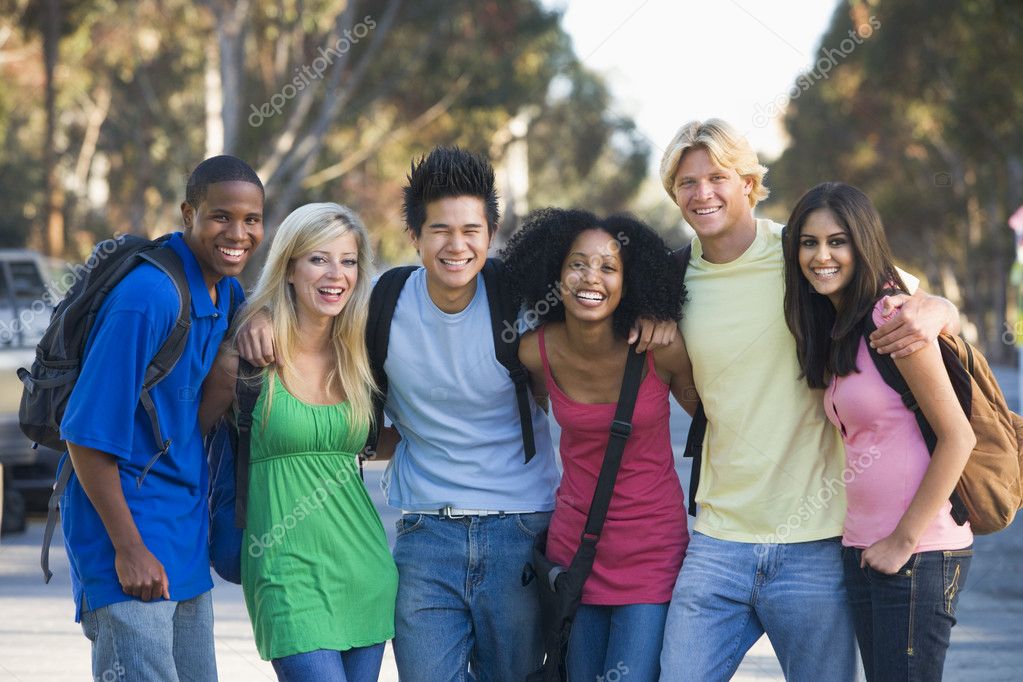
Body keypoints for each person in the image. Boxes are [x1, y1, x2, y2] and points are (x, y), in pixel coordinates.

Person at [655, 119, 962, 681]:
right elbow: (689, 387)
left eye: (717, 177)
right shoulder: (672, 280)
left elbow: (914, 301)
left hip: (817, 542)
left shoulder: (804, 254)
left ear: (749, 183)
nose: (702, 193)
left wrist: (941, 309)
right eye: (686, 182)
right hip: (718, 540)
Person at [59, 155, 264, 681]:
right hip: (127, 542)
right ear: (188, 214)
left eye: (252, 220)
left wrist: (234, 357)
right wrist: (129, 550)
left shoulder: (228, 291)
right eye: (221, 217)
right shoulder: (147, 298)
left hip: (183, 543)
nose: (238, 233)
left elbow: (191, 422)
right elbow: (84, 434)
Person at [782, 182, 974, 681]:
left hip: (921, 549)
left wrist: (902, 541)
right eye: (808, 242)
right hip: (864, 548)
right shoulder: (836, 326)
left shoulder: (891, 317)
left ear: (862, 243)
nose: (821, 256)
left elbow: (958, 437)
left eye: (837, 241)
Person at [200, 202, 397, 682]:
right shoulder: (244, 360)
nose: (337, 275)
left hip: (364, 568)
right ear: (289, 267)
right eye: (319, 259)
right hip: (283, 571)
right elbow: (191, 447)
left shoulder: (360, 354)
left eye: (348, 261)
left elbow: (382, 443)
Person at [500, 208, 692, 682]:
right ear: (554, 273)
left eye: (609, 267)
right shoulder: (533, 351)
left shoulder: (659, 348)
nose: (592, 278)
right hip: (575, 556)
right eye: (578, 264)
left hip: (652, 554)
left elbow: (717, 419)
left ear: (631, 282)